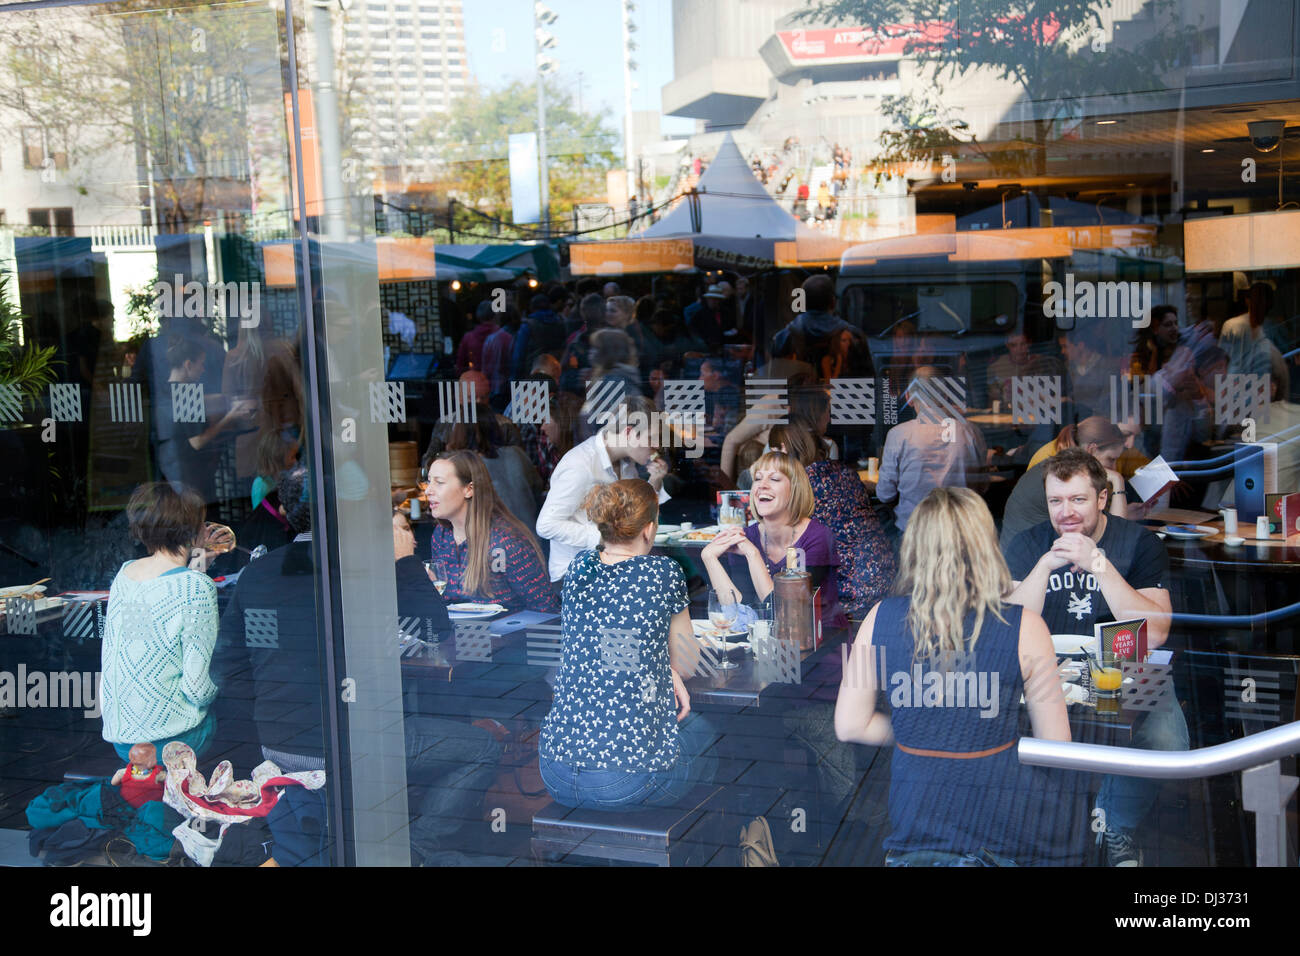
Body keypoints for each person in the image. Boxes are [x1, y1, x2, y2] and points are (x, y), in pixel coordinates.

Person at [214, 467, 503, 866]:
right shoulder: (363, 565)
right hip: (357, 744)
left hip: (278, 744)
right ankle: (415, 853)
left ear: (285, 511)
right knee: (483, 748)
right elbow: (435, 631)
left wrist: (281, 707)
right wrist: (405, 561)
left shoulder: (258, 574)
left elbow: (228, 670)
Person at [835, 488, 1081, 866]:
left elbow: (850, 726)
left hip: (914, 834)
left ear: (914, 548)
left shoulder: (878, 618)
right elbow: (1057, 745)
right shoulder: (1027, 628)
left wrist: (921, 726)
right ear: (986, 546)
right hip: (1004, 835)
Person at [1001, 448, 1185, 866]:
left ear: (1102, 498)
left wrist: (1099, 565)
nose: (1065, 512)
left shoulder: (1138, 543)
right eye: (1056, 500)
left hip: (1124, 663)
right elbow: (1006, 626)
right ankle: (1033, 830)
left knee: (1167, 742)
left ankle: (1115, 823)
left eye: (1078, 499)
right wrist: (1043, 567)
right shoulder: (1028, 543)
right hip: (1047, 668)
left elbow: (1156, 632)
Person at [538, 480, 724, 815]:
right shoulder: (663, 573)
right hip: (624, 782)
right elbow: (687, 663)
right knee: (707, 733)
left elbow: (597, 646)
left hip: (554, 772)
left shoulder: (579, 567)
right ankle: (694, 834)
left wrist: (657, 665)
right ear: (649, 529)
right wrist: (667, 667)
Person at [101, 481, 219, 762]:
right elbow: (198, 689)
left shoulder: (124, 575)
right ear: (193, 529)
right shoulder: (196, 587)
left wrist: (198, 567)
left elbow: (159, 615)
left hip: (123, 739)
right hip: (172, 739)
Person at [700, 450, 845, 628]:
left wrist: (753, 555)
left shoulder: (817, 537)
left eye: (774, 479)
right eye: (757, 479)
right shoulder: (746, 538)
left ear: (795, 490)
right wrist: (709, 558)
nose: (762, 485)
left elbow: (786, 616)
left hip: (820, 640)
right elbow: (743, 615)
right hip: (764, 640)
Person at [535, 395, 669, 582]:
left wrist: (655, 482)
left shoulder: (626, 463)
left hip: (612, 569)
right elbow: (546, 525)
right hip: (577, 576)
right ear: (629, 433)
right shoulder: (580, 464)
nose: (657, 446)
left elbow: (636, 515)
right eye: (651, 438)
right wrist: (608, 538)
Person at [768, 423, 896, 619]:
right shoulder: (845, 471)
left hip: (846, 592)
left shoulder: (801, 485)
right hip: (884, 580)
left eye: (773, 452)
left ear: (784, 449)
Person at [424, 451, 558, 613]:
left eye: (439, 482)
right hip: (454, 628)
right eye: (429, 481)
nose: (427, 490)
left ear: (469, 489)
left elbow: (545, 609)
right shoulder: (441, 536)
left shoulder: (506, 542)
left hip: (504, 628)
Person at [876, 370, 987, 533]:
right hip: (961, 529)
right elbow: (982, 486)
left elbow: (885, 494)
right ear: (946, 397)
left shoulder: (899, 435)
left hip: (913, 530)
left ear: (909, 398)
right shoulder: (970, 431)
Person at [153, 335, 256, 509]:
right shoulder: (187, 393)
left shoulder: (164, 390)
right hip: (192, 475)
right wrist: (230, 417)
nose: (203, 369)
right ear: (188, 364)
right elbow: (198, 441)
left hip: (170, 470)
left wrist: (227, 400)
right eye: (201, 363)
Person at [999, 417, 1128, 548]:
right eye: (1111, 459)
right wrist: (1117, 481)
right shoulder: (1063, 475)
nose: (1114, 467)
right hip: (1029, 555)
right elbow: (1114, 536)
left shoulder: (1067, 465)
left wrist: (1123, 510)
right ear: (1092, 450)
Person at [423, 406, 543, 529]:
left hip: (495, 536)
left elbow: (453, 510)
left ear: (459, 432)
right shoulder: (517, 453)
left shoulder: (468, 466)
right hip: (530, 533)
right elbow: (538, 491)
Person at [770, 274, 873, 381]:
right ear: (833, 302)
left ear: (802, 303)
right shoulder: (854, 336)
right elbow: (869, 381)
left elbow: (775, 382)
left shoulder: (782, 338)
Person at [1219, 281, 1276, 379]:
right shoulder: (1274, 326)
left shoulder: (1230, 324)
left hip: (1237, 380)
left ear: (1247, 300)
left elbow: (1222, 356)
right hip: (1261, 380)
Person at [987, 331, 1053, 407]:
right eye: (1013, 345)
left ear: (1029, 343)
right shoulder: (996, 367)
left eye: (1023, 344)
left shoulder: (1042, 363)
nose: (1019, 349)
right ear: (1007, 345)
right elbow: (993, 400)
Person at [1130, 305, 1180, 376]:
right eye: (1168, 325)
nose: (1175, 328)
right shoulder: (1141, 356)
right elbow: (1147, 380)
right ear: (1155, 329)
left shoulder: (1182, 349)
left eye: (1176, 323)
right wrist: (1154, 353)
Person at [455, 299, 500, 375]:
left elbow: (460, 367)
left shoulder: (468, 338)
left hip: (475, 380)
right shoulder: (505, 337)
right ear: (495, 315)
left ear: (478, 316)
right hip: (499, 381)